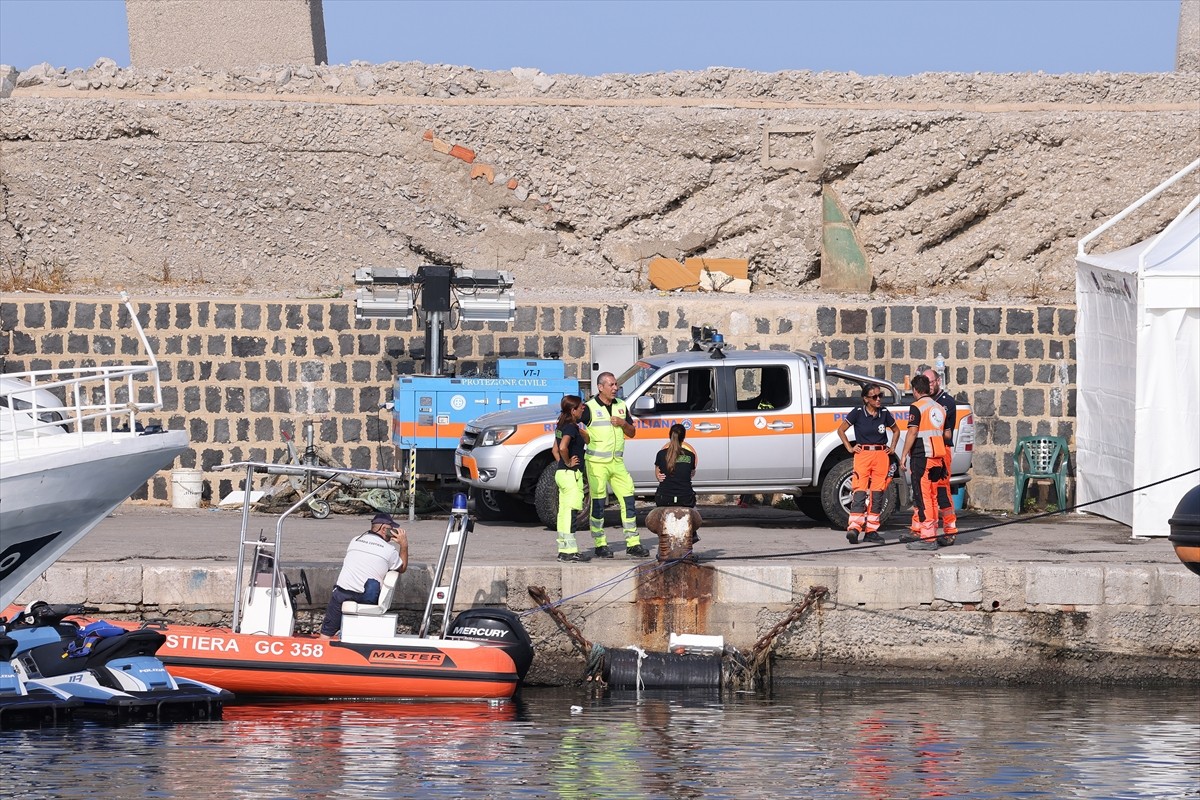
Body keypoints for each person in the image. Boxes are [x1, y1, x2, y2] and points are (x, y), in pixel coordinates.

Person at [582, 372, 650, 558]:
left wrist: (622, 423)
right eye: (611, 385)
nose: (615, 388)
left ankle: (633, 543)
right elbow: (573, 427)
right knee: (598, 503)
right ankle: (600, 543)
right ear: (600, 387)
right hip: (596, 463)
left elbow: (632, 432)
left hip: (617, 463)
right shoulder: (588, 408)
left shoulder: (621, 406)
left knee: (628, 499)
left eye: (616, 384)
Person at [319, 513, 408, 638]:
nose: (393, 532)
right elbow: (402, 567)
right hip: (366, 597)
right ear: (384, 529)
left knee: (325, 635)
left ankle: (326, 637)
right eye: (391, 529)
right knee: (372, 585)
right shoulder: (389, 550)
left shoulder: (355, 540)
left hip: (341, 594)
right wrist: (404, 545)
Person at [836, 384, 900, 544]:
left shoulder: (884, 413)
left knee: (878, 494)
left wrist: (892, 448)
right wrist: (850, 447)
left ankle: (872, 530)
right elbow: (841, 430)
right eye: (874, 397)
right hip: (863, 454)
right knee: (859, 491)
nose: (878, 399)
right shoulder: (858, 413)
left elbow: (896, 430)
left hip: (881, 455)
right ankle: (854, 528)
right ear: (866, 399)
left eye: (880, 396)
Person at [904, 368, 959, 546]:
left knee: (932, 494)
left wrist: (904, 454)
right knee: (928, 495)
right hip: (936, 453)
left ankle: (940, 532)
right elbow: (947, 433)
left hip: (929, 454)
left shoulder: (943, 403)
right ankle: (920, 529)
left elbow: (913, 432)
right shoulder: (938, 407)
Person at [553, 395, 590, 563]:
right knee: (570, 513)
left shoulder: (561, 426)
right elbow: (562, 448)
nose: (583, 408)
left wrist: (562, 464)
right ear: (573, 410)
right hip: (571, 475)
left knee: (563, 513)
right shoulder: (570, 427)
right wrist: (568, 462)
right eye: (580, 407)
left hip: (562, 474)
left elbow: (555, 450)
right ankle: (570, 551)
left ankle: (563, 549)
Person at [655, 423, 699, 542]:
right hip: (685, 499)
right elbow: (691, 474)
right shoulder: (690, 456)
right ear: (684, 438)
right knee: (693, 512)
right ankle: (693, 533)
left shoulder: (661, 454)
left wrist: (660, 476)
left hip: (664, 498)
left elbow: (658, 474)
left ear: (670, 436)